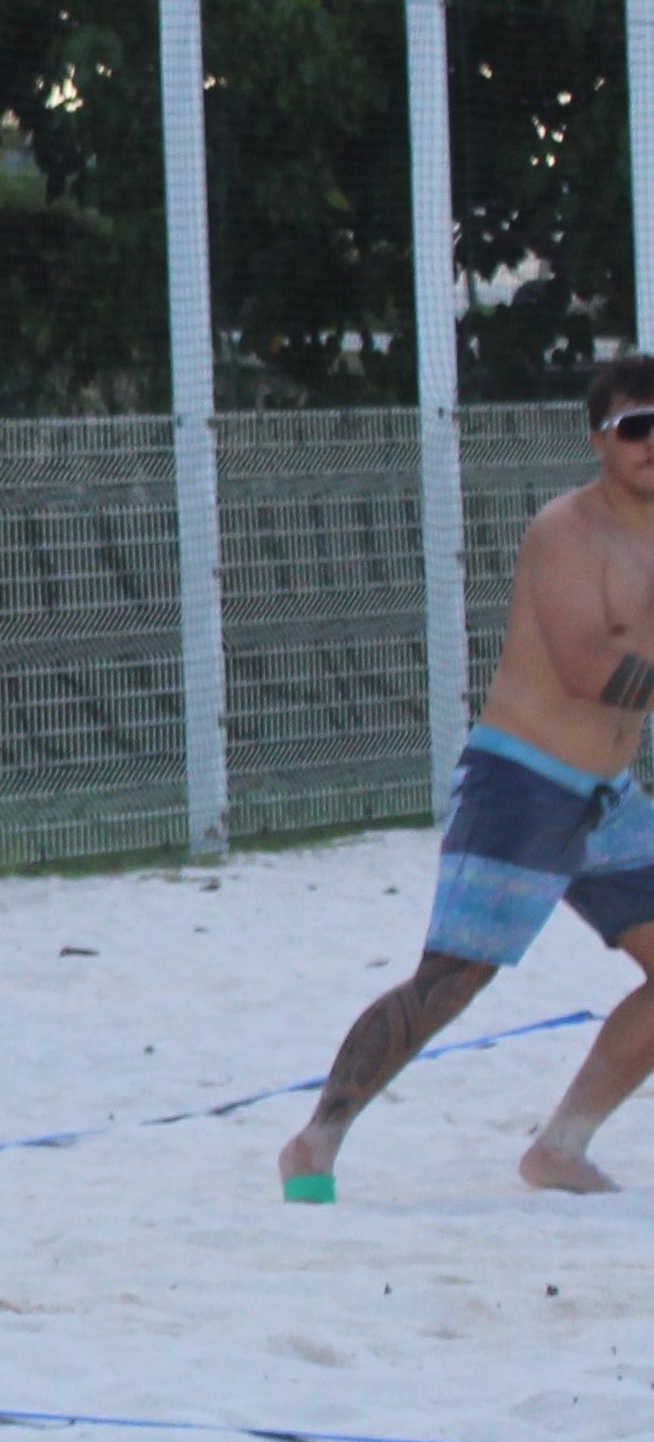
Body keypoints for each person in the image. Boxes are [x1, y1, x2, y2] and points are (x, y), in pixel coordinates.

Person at [276, 355, 654, 1200]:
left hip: (608, 796)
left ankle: (559, 1147)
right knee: (449, 981)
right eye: (637, 426)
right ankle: (315, 1139)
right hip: (524, 782)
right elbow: (587, 669)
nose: (652, 441)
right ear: (599, 438)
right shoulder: (567, 531)